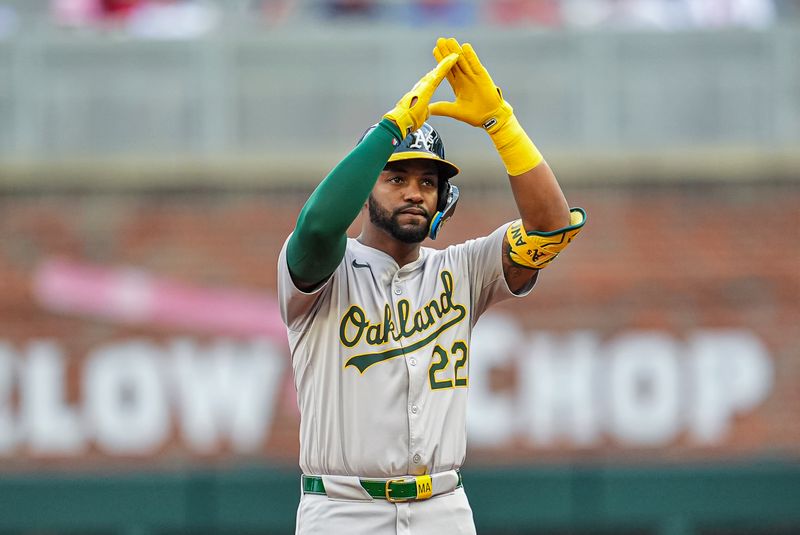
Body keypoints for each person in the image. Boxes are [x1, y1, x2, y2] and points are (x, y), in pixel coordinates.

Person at [278, 37, 586, 535]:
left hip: (443, 507)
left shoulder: (463, 269)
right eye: (395, 178)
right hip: (342, 507)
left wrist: (501, 125)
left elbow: (551, 228)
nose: (414, 192)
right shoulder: (327, 267)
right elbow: (315, 227)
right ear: (365, 187)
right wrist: (388, 130)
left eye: (427, 181)